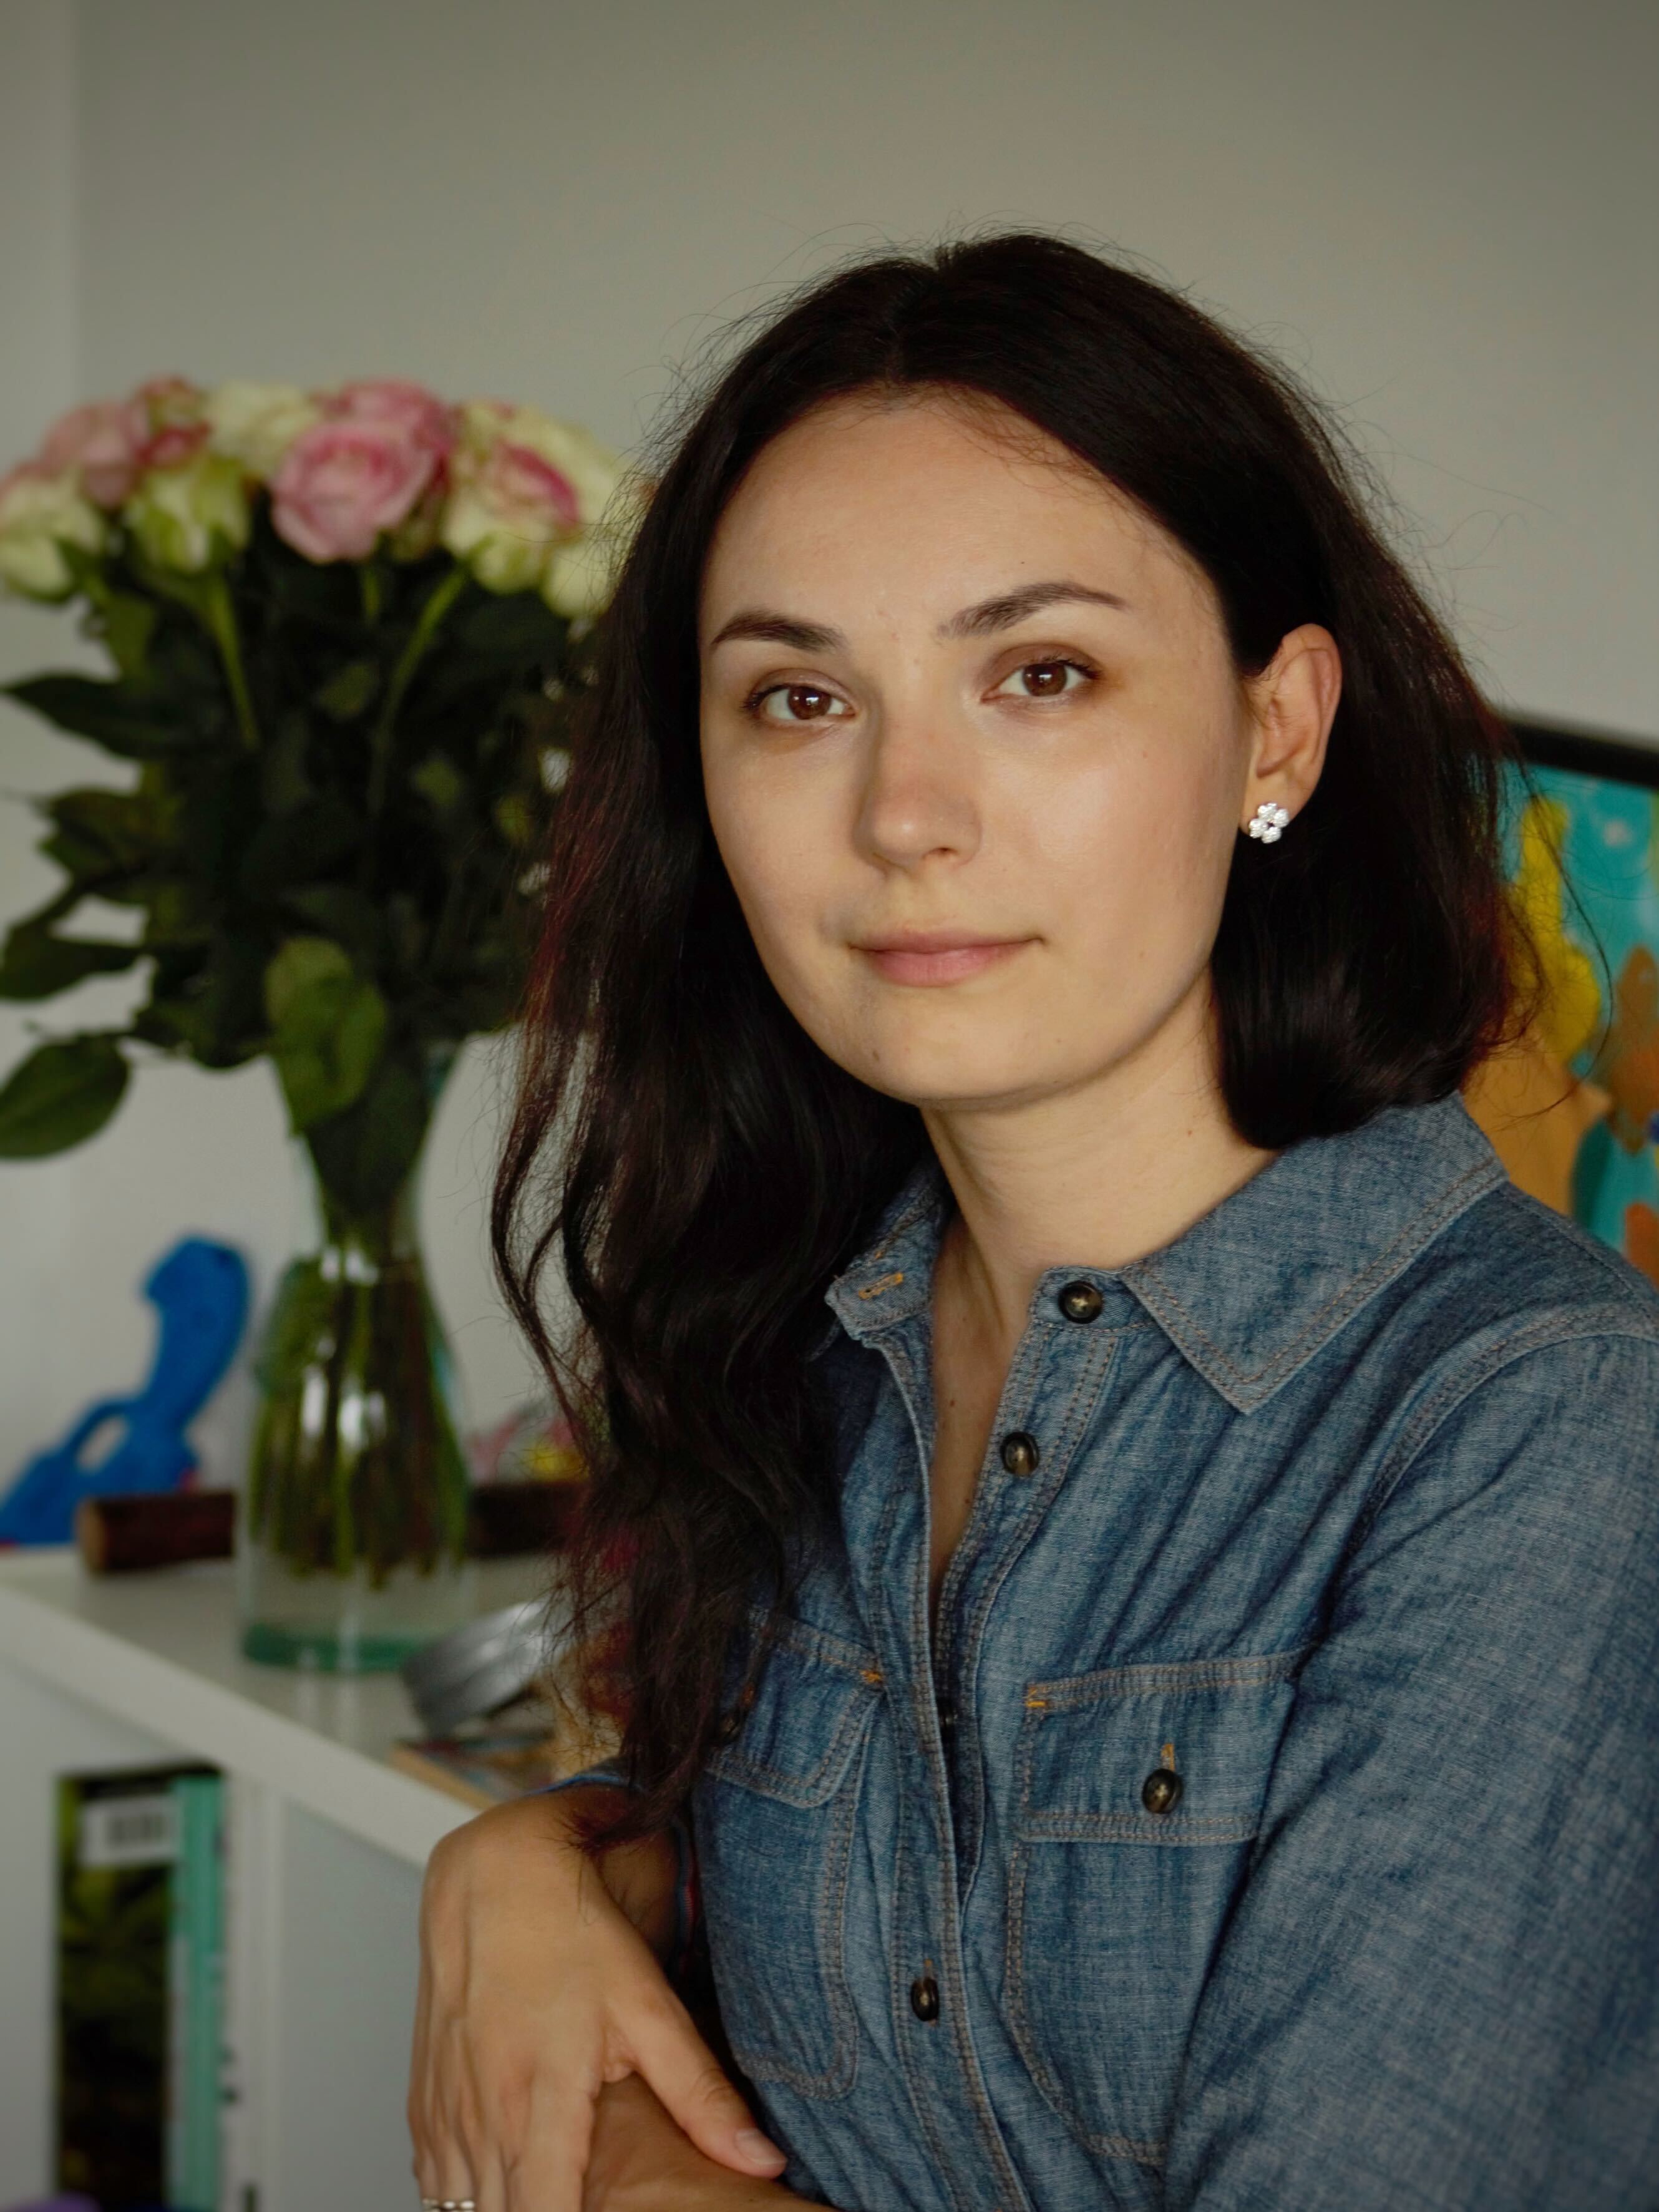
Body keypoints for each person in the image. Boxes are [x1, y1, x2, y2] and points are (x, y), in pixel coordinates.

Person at [406, 234, 1659, 2212]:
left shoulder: (1543, 1422)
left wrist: (635, 2171)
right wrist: (549, 1861)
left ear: (1276, 728)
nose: (904, 812)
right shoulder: (798, 1333)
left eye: (1039, 675)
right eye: (798, 696)